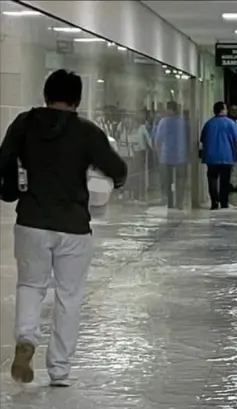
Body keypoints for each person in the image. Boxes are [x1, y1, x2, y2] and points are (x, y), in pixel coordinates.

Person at [0, 69, 128, 385]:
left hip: (31, 221)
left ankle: (26, 339)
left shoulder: (24, 124)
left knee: (31, 285)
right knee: (69, 295)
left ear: (46, 95)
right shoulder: (86, 132)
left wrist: (12, 190)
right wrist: (115, 179)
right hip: (73, 226)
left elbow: (4, 161)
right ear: (77, 100)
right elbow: (116, 168)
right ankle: (59, 370)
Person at [200, 101, 237, 210]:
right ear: (222, 110)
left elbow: (203, 140)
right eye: (226, 109)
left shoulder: (208, 124)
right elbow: (236, 140)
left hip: (211, 157)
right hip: (226, 156)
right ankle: (224, 202)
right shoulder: (231, 123)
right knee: (224, 180)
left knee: (212, 179)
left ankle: (214, 202)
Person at [151, 100, 188, 209]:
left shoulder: (163, 122)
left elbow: (158, 139)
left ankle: (170, 202)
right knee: (180, 180)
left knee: (167, 182)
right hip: (181, 156)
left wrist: (157, 153)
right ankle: (180, 202)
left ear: (169, 109)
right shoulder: (182, 122)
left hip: (166, 156)